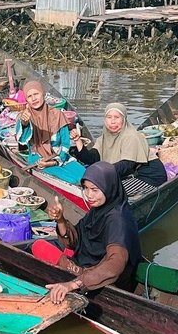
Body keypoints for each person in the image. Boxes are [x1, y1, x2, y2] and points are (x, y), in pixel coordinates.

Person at [35, 162, 143, 304]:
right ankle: (74, 270)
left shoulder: (118, 219)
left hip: (99, 275)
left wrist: (74, 284)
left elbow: (116, 263)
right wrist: (60, 220)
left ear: (109, 188)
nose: (89, 195)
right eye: (85, 188)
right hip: (86, 265)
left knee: (41, 248)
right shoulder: (98, 210)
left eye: (94, 190)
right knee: (42, 246)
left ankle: (75, 273)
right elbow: (74, 242)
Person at [73, 103, 167, 188]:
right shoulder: (104, 138)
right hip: (130, 174)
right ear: (105, 120)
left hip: (149, 176)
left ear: (124, 119)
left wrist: (101, 174)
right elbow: (91, 159)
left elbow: (126, 165)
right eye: (109, 117)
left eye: (117, 117)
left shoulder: (131, 136)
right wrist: (78, 140)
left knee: (109, 191)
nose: (112, 121)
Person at [15, 81, 72, 169]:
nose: (34, 99)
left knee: (82, 174)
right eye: (29, 96)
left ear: (43, 94)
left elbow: (65, 143)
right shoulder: (25, 116)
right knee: (70, 180)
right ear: (26, 100)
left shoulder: (58, 114)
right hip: (38, 159)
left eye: (36, 94)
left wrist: (55, 161)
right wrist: (24, 123)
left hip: (60, 157)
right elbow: (22, 140)